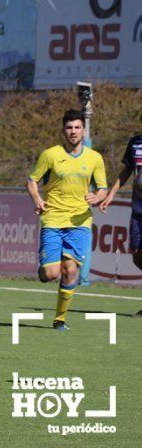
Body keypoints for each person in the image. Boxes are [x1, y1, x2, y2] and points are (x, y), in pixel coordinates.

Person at [26, 109, 107, 331]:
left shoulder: (94, 158)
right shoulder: (50, 155)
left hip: (80, 221)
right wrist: (37, 199)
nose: (73, 131)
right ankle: (45, 268)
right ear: (63, 130)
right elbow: (32, 180)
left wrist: (98, 197)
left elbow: (102, 188)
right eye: (69, 127)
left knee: (71, 271)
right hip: (52, 219)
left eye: (77, 127)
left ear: (84, 130)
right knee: (51, 274)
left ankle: (59, 319)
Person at [100, 132, 142, 316]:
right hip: (138, 209)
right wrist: (111, 194)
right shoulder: (135, 142)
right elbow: (127, 171)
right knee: (137, 256)